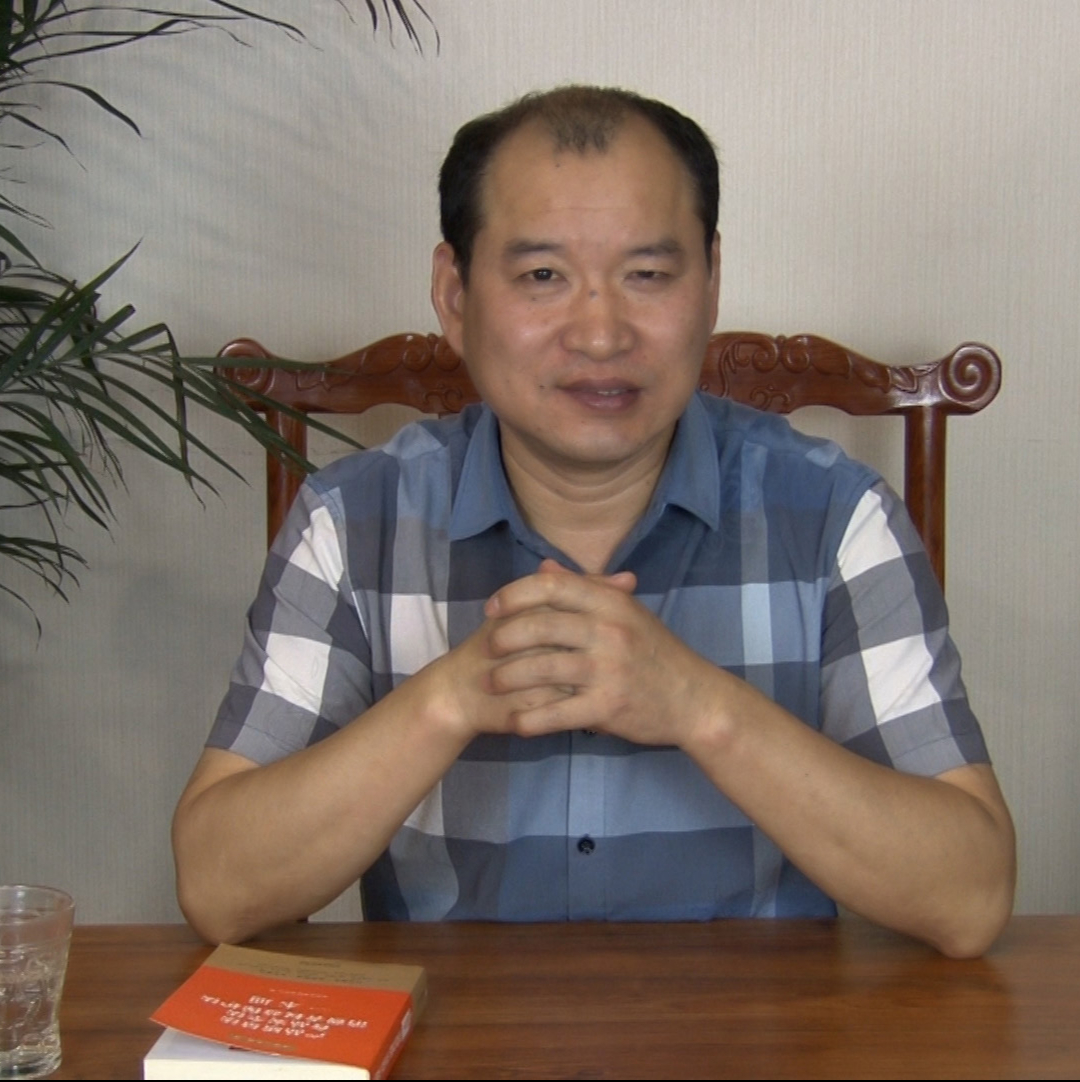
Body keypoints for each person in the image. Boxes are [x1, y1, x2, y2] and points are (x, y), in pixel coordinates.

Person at [173, 86, 1015, 955]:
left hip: (763, 1022)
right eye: (543, 276)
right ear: (455, 296)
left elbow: (969, 896)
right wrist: (450, 697)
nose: (602, 335)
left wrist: (700, 706)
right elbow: (221, 891)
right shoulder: (353, 522)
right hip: (457, 1023)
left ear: (711, 283)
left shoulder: (836, 514)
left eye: (647, 275)